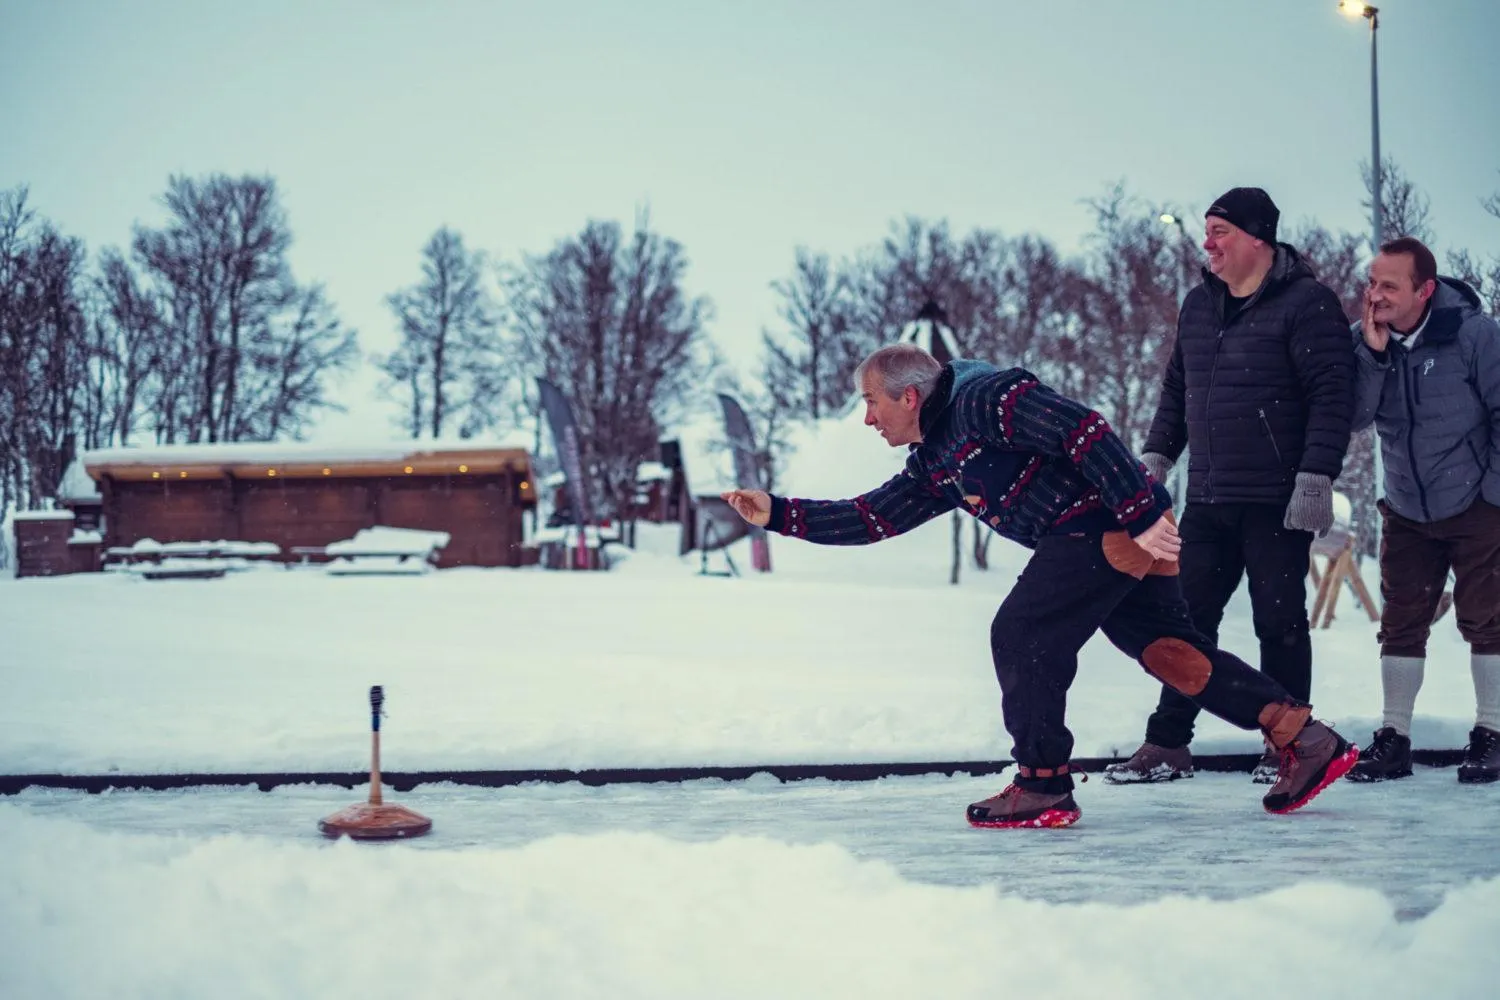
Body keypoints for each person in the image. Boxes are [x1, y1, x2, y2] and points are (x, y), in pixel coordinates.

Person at [721, 343, 1359, 829]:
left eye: (870, 403)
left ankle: (1043, 780)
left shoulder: (986, 399)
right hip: (1111, 532)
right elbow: (869, 519)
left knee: (1024, 632)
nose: (866, 419)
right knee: (1172, 653)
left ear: (908, 396)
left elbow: (1084, 431)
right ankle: (1303, 735)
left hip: (1102, 524)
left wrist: (1138, 514)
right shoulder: (936, 459)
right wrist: (776, 512)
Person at [1105, 187, 1355, 786]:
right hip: (1209, 498)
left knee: (1280, 622)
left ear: (1256, 237)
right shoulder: (1199, 304)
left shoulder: (1307, 303)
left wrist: (1316, 475)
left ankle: (1291, 745)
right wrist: (1158, 454)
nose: (1207, 242)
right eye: (1207, 231)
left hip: (1276, 499)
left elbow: (1332, 395)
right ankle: (1167, 743)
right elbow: (1176, 387)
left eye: (1219, 230)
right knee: (1184, 625)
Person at [1344, 236, 1500, 784]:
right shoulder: (1365, 341)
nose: (1375, 294)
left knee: (1488, 620)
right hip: (1407, 509)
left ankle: (1492, 733)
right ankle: (1395, 738)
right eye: (1371, 282)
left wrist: (1494, 496)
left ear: (1424, 290)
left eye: (1389, 285)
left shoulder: (1475, 335)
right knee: (1401, 623)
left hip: (1477, 505)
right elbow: (1356, 418)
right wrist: (1371, 353)